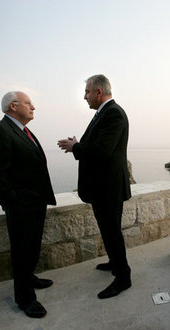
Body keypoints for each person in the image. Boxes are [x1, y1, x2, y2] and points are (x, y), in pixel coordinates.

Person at [57, 74, 132, 299]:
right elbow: (98, 144)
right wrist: (79, 144)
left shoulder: (114, 114)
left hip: (108, 188)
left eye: (87, 92)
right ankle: (114, 262)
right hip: (103, 188)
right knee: (108, 231)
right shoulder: (104, 113)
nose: (84, 97)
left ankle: (123, 277)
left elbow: (103, 151)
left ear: (99, 91)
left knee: (112, 232)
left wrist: (75, 148)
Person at [0, 91, 56, 318]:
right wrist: (13, 202)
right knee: (22, 251)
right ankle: (25, 298)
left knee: (32, 246)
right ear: (13, 106)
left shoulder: (23, 130)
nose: (33, 107)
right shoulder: (0, 130)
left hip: (35, 202)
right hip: (21, 206)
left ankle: (29, 278)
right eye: (28, 103)